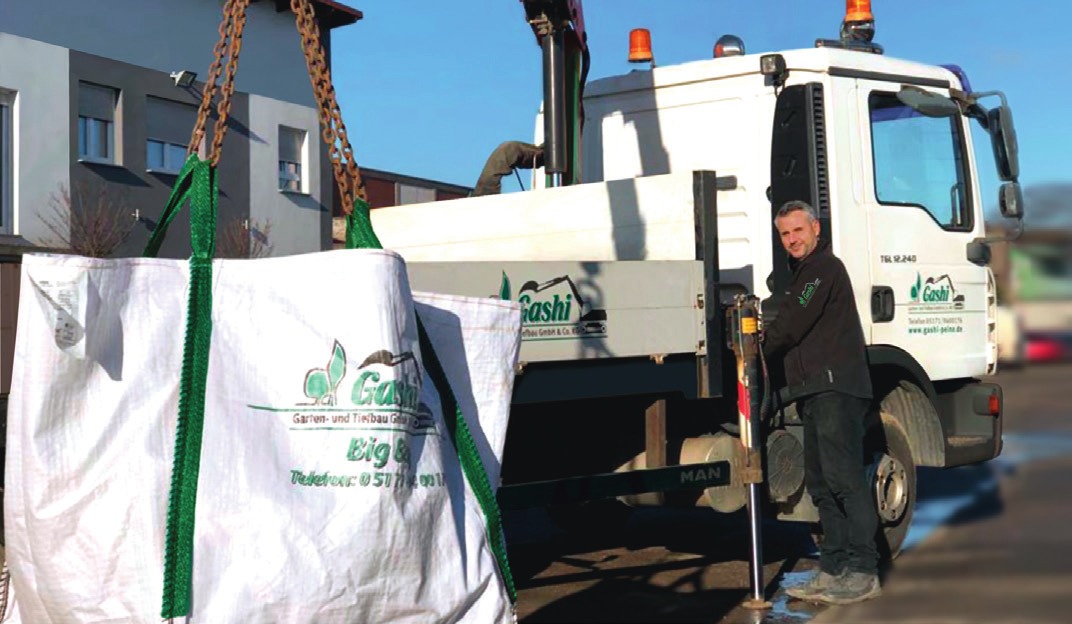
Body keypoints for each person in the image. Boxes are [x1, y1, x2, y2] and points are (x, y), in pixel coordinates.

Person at [761, 200, 881, 605]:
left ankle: (863, 570)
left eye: (797, 230)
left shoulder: (823, 270)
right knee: (821, 484)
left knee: (844, 479)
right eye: (784, 234)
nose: (792, 240)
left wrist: (756, 346)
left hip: (836, 389)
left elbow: (793, 322)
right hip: (813, 391)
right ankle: (832, 570)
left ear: (815, 227)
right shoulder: (804, 273)